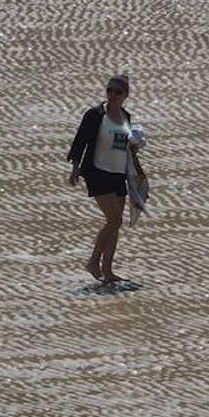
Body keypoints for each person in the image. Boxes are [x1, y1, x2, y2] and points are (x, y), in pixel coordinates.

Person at [68, 74, 141, 282]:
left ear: (126, 95)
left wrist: (135, 146)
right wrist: (75, 169)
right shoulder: (96, 114)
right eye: (109, 90)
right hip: (97, 172)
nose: (112, 95)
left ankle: (108, 271)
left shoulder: (126, 117)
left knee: (115, 225)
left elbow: (127, 148)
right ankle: (92, 262)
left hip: (119, 174)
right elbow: (79, 141)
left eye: (118, 92)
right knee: (114, 219)